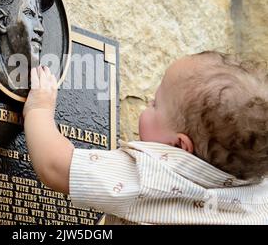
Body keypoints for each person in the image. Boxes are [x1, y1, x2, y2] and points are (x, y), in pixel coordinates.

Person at [23, 51, 268, 224]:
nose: (148, 102)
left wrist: (40, 109)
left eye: (155, 104)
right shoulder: (260, 196)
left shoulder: (151, 175)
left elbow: (54, 165)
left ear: (178, 146)